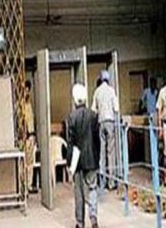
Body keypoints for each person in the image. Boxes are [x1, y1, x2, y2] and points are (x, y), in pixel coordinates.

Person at [67, 83, 100, 228]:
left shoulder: (72, 117)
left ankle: (80, 223)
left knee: (78, 193)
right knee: (92, 189)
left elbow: (70, 143)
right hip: (92, 158)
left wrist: (70, 164)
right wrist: (97, 157)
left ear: (74, 99)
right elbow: (97, 139)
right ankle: (93, 218)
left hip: (78, 160)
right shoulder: (93, 116)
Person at [91, 70, 119, 191]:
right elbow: (116, 108)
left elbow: (93, 109)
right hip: (110, 122)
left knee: (102, 151)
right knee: (110, 152)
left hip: (101, 122)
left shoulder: (97, 91)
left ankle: (101, 181)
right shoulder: (112, 91)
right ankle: (111, 182)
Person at [21, 80, 37, 194]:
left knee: (30, 162)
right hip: (25, 137)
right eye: (25, 90)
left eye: (28, 90)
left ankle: (29, 185)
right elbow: (22, 121)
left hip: (31, 135)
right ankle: (23, 185)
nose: (27, 93)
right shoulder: (21, 105)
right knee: (24, 163)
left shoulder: (29, 104)